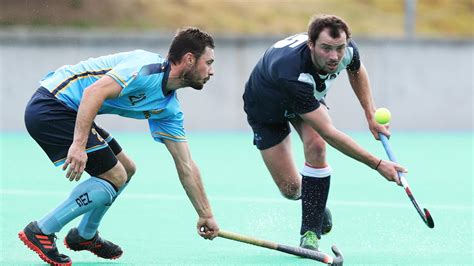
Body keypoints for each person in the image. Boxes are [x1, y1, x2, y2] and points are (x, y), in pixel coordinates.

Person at [18, 27, 219, 265]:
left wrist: (205, 214)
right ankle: (42, 229)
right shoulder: (145, 68)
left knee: (127, 169)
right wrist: (78, 144)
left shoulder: (169, 109)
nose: (212, 71)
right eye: (209, 63)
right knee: (114, 175)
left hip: (72, 111)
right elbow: (93, 93)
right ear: (189, 59)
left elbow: (186, 164)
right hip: (51, 104)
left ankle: (85, 235)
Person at [242, 14, 407, 251]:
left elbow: (356, 69)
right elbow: (330, 132)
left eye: (339, 48)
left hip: (307, 96)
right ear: (311, 44)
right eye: (326, 49)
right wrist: (378, 164)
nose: (334, 56)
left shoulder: (346, 50)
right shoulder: (290, 72)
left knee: (317, 146)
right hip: (266, 107)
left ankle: (310, 231)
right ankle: (312, 201)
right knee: (290, 189)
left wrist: (370, 114)